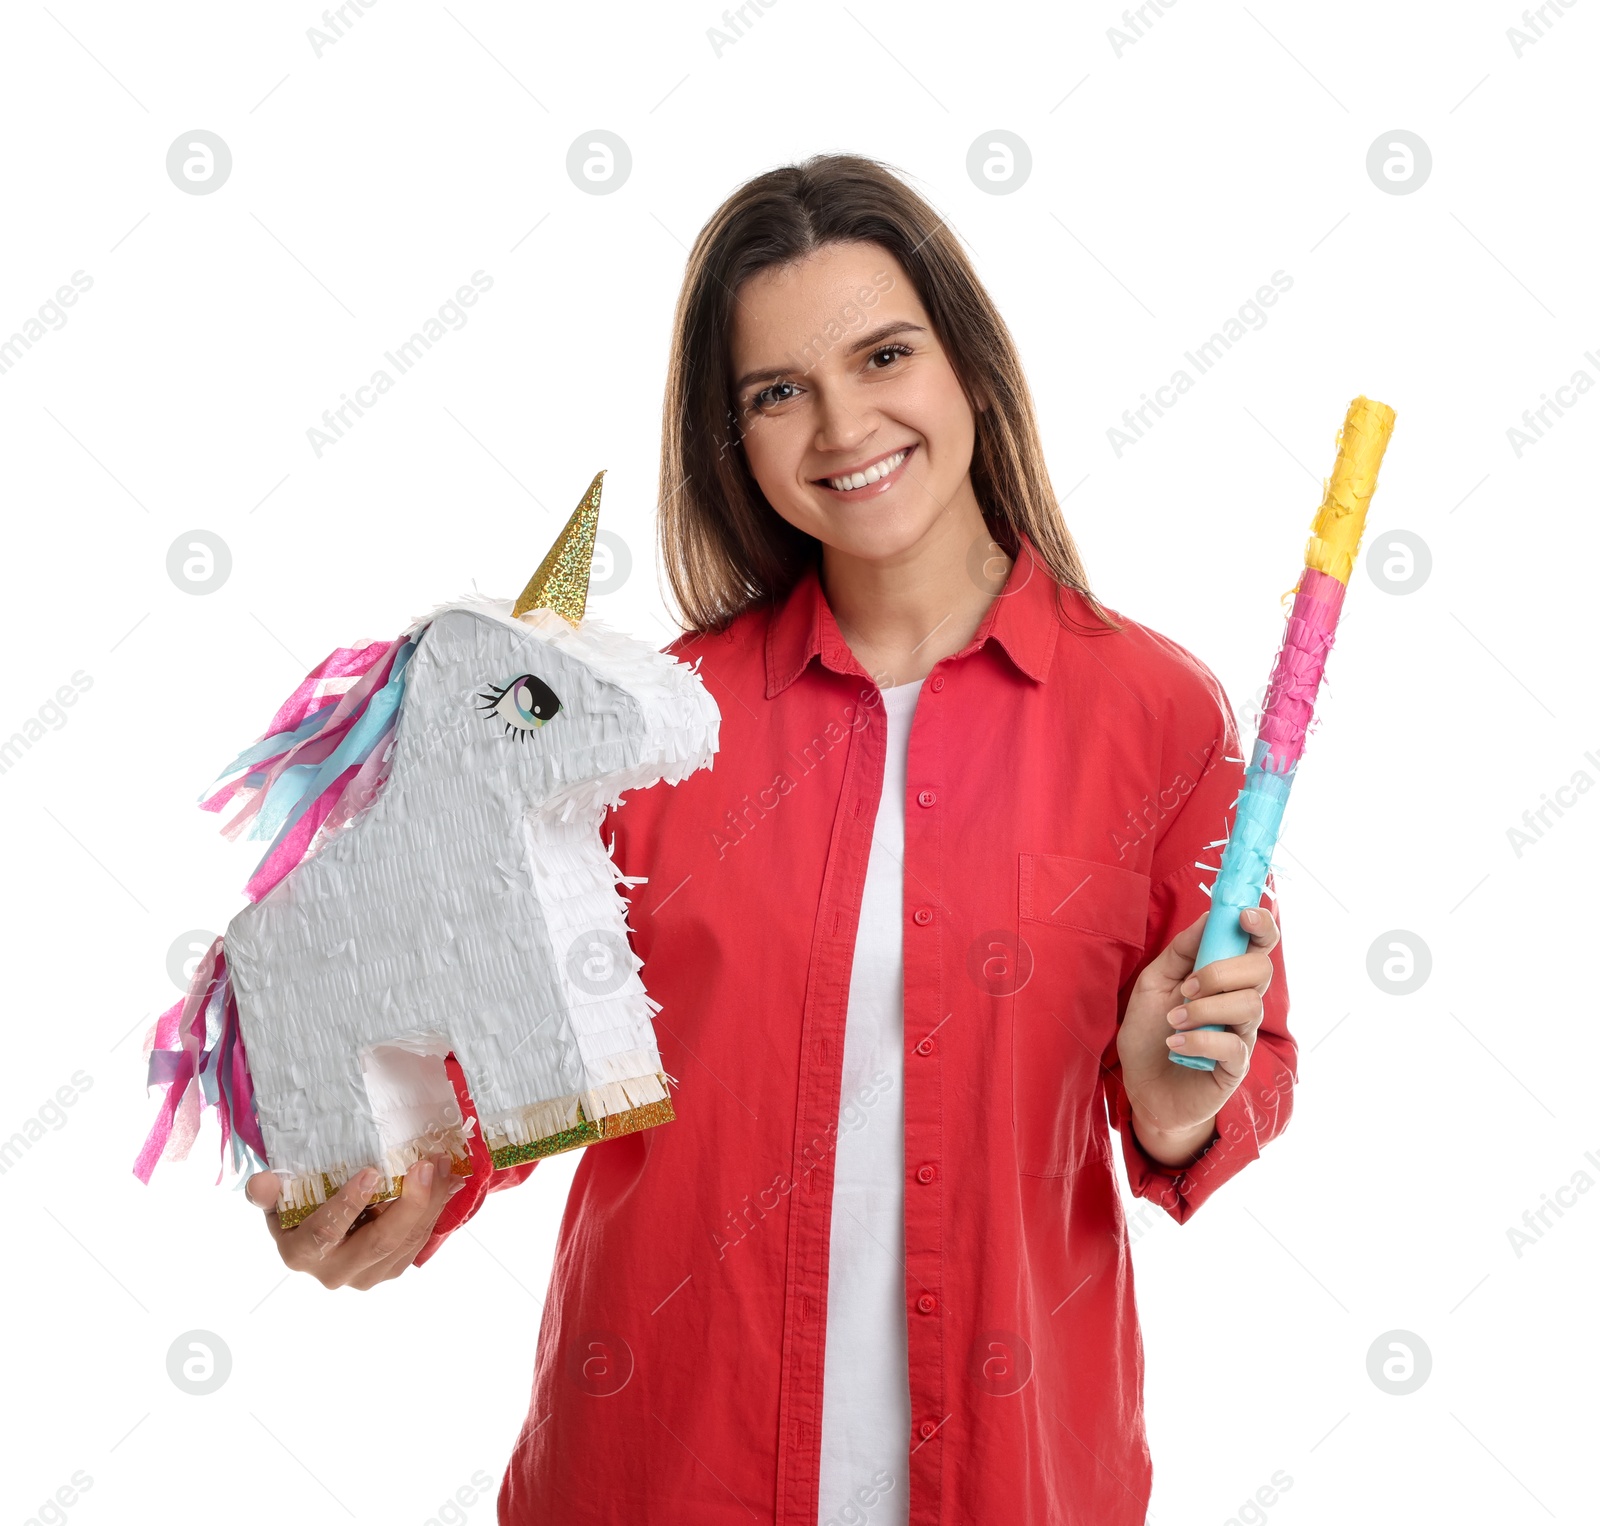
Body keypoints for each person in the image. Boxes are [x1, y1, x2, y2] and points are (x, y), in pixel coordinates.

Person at [247, 153, 1296, 1525]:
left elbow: (1228, 1071)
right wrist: (389, 1180)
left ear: (969, 366)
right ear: (732, 437)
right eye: (777, 391)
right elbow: (501, 1031)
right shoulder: (646, 723)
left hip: (1017, 1474)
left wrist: (1178, 1093)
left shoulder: (1156, 716)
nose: (843, 421)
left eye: (884, 354)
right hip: (660, 1467)